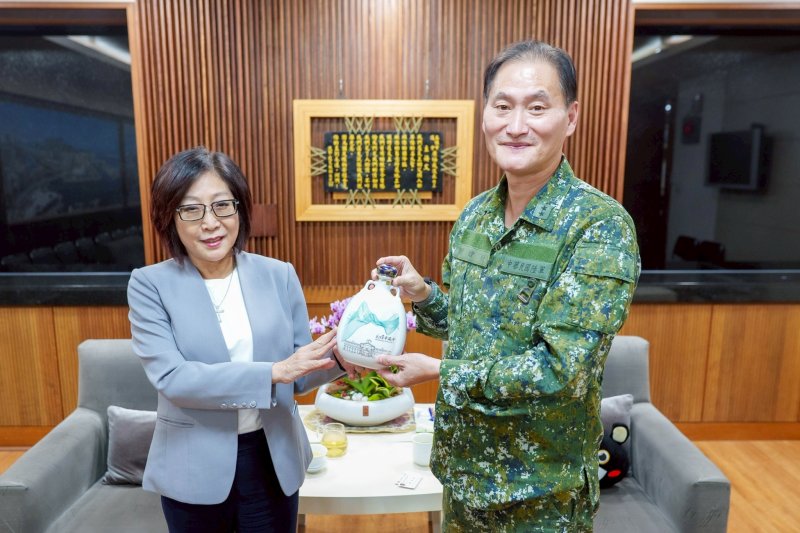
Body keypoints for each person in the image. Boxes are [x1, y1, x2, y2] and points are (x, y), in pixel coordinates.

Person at [374, 40, 640, 531]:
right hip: (462, 476)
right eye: (502, 106)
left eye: (536, 108)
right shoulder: (476, 216)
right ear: (485, 114)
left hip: (539, 493)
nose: (516, 126)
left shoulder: (599, 227)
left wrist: (440, 372)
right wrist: (423, 294)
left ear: (571, 117)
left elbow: (561, 370)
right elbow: (469, 326)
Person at [127, 146, 350, 532]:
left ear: (240, 209)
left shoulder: (278, 275)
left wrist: (345, 357)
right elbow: (174, 379)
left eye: (222, 206)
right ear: (170, 218)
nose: (210, 223)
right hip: (192, 466)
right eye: (191, 209)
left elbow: (296, 374)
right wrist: (273, 372)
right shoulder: (150, 285)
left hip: (272, 458)